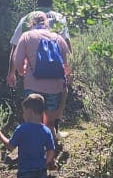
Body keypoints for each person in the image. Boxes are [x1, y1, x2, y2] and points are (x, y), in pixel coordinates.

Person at [9, 9, 72, 137]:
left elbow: (17, 60)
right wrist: (66, 77)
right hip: (54, 87)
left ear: (31, 23)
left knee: (32, 121)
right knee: (49, 123)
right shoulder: (58, 37)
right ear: (47, 23)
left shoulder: (26, 36)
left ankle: (32, 146)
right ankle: (50, 146)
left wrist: (21, 71)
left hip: (33, 86)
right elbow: (66, 62)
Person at [6, 0, 71, 90]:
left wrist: (11, 73)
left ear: (38, 2)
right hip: (56, 78)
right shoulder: (59, 18)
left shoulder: (26, 18)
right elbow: (66, 47)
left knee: (33, 99)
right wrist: (69, 73)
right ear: (53, 3)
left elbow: (15, 48)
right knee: (56, 98)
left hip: (32, 79)